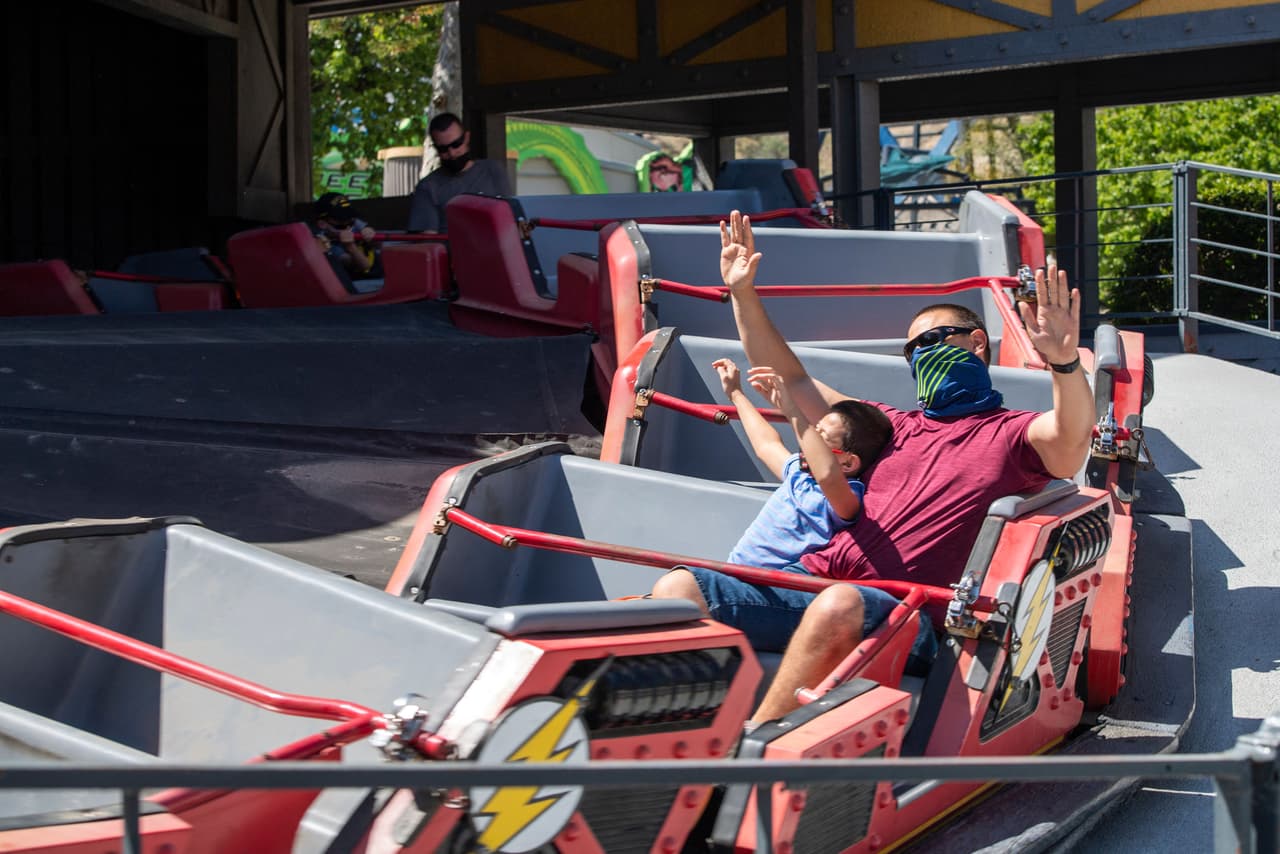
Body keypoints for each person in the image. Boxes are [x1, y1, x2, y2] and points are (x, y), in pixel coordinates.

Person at [652, 211, 1094, 723]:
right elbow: (792, 378)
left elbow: (1071, 439)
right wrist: (742, 293)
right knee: (678, 588)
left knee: (840, 604)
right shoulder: (890, 427)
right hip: (812, 586)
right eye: (912, 349)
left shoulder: (1011, 434)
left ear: (977, 343)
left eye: (934, 339)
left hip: (909, 617)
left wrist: (1063, 364)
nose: (920, 353)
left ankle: (753, 748)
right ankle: (680, 740)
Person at [715, 356, 891, 575]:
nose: (809, 441)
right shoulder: (800, 474)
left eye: (820, 437)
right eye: (813, 431)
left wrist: (791, 409)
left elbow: (828, 476)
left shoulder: (847, 497)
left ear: (847, 462)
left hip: (769, 588)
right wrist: (735, 393)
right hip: (732, 572)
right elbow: (766, 445)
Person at [406, 112, 512, 233]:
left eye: (456, 144)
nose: (451, 153)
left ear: (466, 138)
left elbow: (511, 218)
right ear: (436, 148)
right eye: (443, 149)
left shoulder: (493, 170)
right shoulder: (428, 187)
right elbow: (428, 241)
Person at [311, 192, 381, 279]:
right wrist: (350, 247)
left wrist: (370, 233)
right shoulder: (325, 245)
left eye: (349, 218)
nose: (348, 225)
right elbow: (364, 266)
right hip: (359, 281)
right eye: (341, 220)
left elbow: (380, 246)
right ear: (322, 224)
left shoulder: (354, 223)